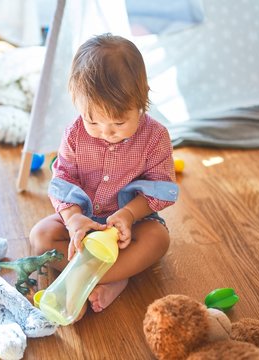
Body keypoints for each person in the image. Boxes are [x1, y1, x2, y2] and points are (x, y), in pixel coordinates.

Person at [29, 33, 179, 318]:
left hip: (132, 223)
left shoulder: (156, 137)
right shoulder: (74, 134)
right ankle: (113, 274)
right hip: (85, 219)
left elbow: (161, 189)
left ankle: (90, 277)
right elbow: (62, 182)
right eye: (93, 121)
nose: (106, 132)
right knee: (40, 236)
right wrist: (73, 220)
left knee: (158, 240)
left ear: (141, 100)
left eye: (119, 122)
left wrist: (129, 215)